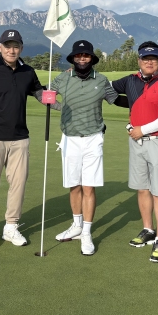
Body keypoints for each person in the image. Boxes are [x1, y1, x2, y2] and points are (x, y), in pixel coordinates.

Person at [0, 29, 59, 249]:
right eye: (7, 46)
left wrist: (56, 103)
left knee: (18, 184)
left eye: (16, 46)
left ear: (21, 48)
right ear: (0, 47)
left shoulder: (28, 71)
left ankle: (11, 226)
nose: (11, 50)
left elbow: (38, 93)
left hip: (20, 138)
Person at [111, 41, 158, 263]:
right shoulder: (130, 80)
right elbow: (106, 86)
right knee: (142, 189)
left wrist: (143, 129)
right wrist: (80, 75)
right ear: (139, 60)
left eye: (154, 58)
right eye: (145, 58)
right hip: (137, 143)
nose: (150, 62)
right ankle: (148, 229)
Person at [49, 40, 118, 256]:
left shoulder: (102, 80)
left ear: (92, 58)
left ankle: (86, 232)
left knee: (89, 187)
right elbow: (46, 96)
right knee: (74, 185)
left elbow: (115, 99)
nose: (82, 58)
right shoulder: (63, 78)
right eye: (78, 55)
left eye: (85, 55)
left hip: (93, 138)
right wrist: (62, 107)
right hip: (69, 138)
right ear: (72, 58)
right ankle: (76, 226)